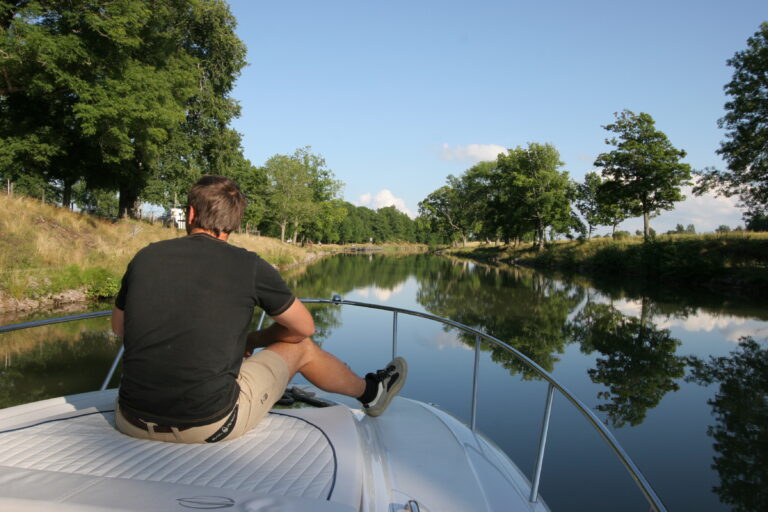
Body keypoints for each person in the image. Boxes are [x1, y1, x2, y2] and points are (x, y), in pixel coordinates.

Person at [111, 175, 406, 443]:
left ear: (190, 214)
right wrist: (253, 340)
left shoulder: (145, 257)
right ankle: (372, 393)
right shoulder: (248, 265)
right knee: (302, 347)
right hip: (206, 425)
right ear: (234, 222)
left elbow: (120, 329)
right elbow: (304, 328)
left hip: (129, 418)